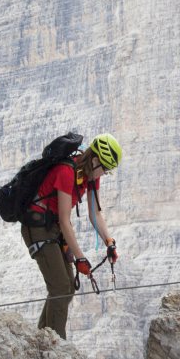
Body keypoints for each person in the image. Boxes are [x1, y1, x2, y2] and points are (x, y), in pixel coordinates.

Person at [22, 134, 122, 338]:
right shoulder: (66, 173)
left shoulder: (92, 176)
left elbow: (95, 213)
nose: (104, 173)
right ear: (94, 160)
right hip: (37, 226)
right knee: (60, 287)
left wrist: (109, 242)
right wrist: (80, 258)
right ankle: (56, 345)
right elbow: (66, 221)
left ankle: (42, 339)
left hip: (52, 226)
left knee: (66, 286)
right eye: (104, 168)